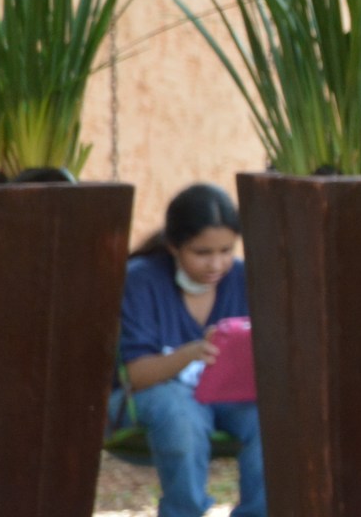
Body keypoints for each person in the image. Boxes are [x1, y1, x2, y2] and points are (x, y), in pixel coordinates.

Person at [111, 183, 265, 517]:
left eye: (226, 250)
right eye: (202, 252)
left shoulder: (243, 278)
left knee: (270, 419)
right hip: (152, 397)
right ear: (173, 245)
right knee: (180, 414)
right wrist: (193, 352)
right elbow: (135, 376)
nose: (216, 264)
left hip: (226, 397)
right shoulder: (140, 281)